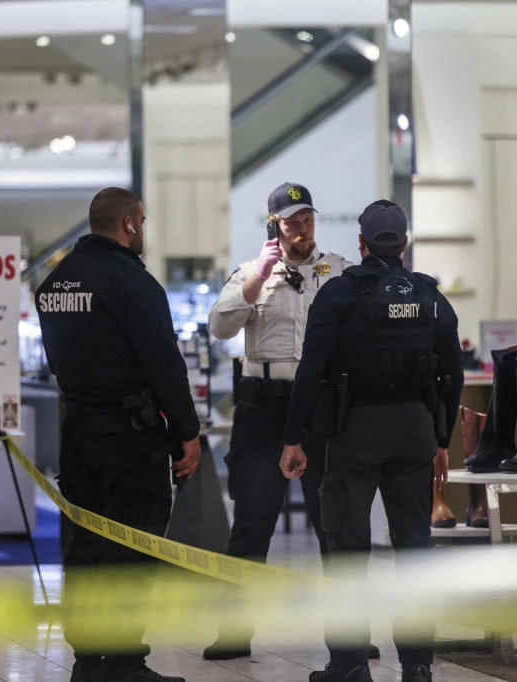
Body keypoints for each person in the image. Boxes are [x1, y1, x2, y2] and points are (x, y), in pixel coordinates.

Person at [280, 200, 464, 682]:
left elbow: (310, 369)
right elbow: (453, 373)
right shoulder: (430, 296)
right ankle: (418, 666)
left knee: (346, 547)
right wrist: (441, 439)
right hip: (414, 432)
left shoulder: (340, 293)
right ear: (405, 242)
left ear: (361, 243)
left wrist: (293, 437)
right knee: (415, 549)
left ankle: (349, 665)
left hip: (354, 432)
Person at [36, 187, 201, 682]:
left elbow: (55, 361)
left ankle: (88, 661)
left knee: (86, 546)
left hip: (79, 432)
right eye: (142, 222)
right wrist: (187, 430)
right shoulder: (132, 282)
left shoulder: (55, 281)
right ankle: (125, 662)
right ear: (129, 224)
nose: (143, 230)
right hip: (130, 436)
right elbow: (164, 364)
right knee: (133, 545)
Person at [203, 182, 353, 659]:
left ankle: (348, 639)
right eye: (292, 221)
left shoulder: (338, 271)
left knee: (333, 523)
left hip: (320, 409)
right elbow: (219, 327)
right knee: (252, 520)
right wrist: (259, 277)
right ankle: (234, 632)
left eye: (307, 218)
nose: (302, 228)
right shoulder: (251, 273)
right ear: (275, 225)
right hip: (263, 409)